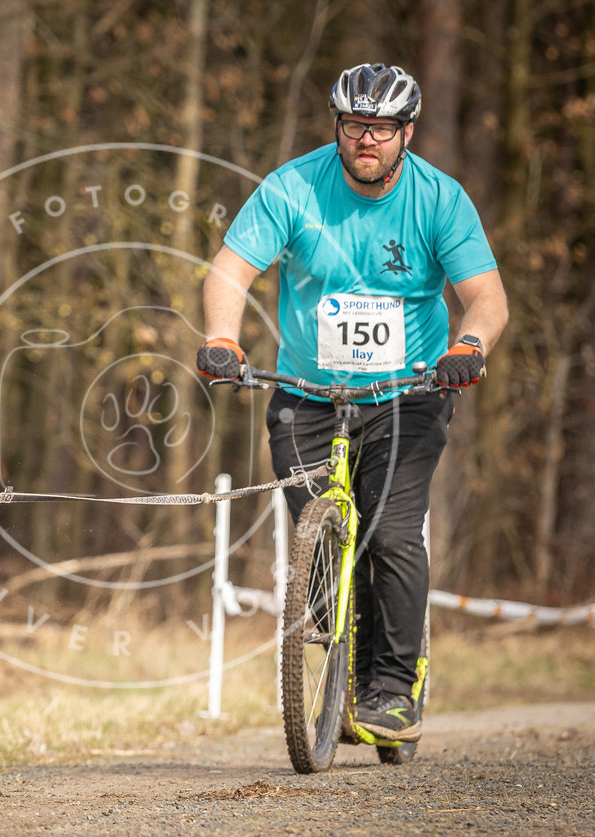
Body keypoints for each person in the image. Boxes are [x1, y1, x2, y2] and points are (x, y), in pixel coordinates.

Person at [197, 62, 508, 743]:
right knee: (319, 542)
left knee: (392, 535)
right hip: (307, 391)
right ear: (337, 127)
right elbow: (230, 270)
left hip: (409, 394)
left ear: (407, 133)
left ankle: (393, 689)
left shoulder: (440, 199)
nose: (365, 140)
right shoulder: (293, 187)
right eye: (353, 126)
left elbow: (486, 296)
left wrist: (469, 347)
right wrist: (223, 336)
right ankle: (336, 652)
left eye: (380, 129)